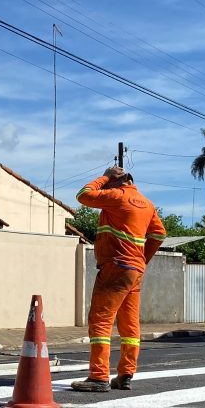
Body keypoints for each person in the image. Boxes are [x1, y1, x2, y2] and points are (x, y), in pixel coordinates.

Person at [71, 166, 166, 392]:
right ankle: (125, 375)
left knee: (101, 321)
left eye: (108, 184)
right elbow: (159, 234)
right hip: (135, 270)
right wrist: (143, 258)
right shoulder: (147, 204)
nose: (104, 187)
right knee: (129, 325)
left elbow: (83, 195)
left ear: (115, 182)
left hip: (115, 266)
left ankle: (99, 377)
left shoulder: (116, 196)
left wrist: (104, 178)